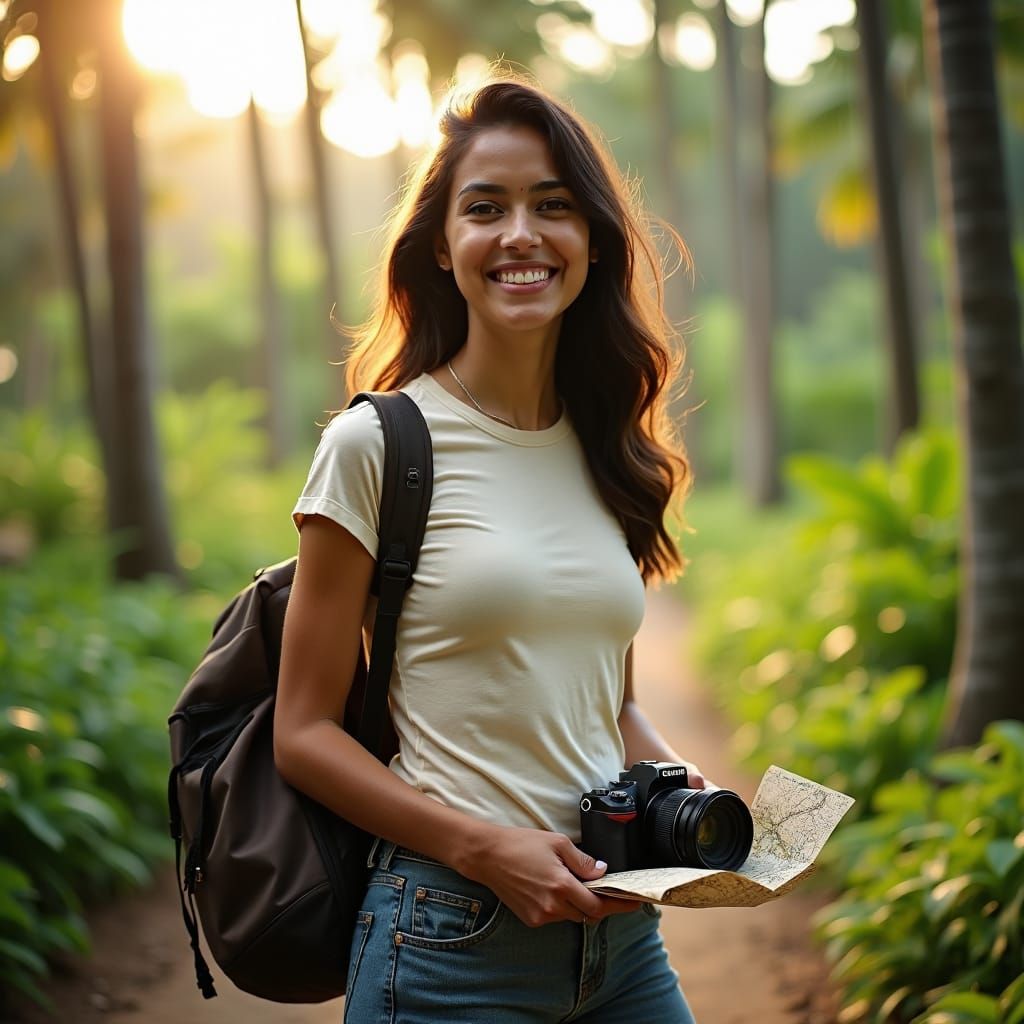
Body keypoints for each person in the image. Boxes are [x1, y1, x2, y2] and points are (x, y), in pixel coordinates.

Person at [274, 71, 705, 1023]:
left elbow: (614, 704)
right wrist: (482, 847)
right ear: (443, 245)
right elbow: (302, 736)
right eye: (486, 208)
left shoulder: (608, 450)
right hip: (447, 942)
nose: (521, 234)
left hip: (624, 944)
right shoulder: (374, 445)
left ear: (591, 239)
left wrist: (687, 790)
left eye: (553, 206)